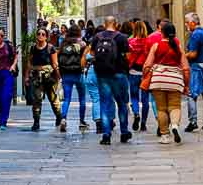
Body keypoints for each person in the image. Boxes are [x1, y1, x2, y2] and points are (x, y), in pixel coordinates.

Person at [144, 21, 190, 144]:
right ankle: (174, 125)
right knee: (174, 106)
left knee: (161, 109)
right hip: (175, 80)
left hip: (158, 79)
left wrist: (146, 75)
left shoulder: (156, 45)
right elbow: (186, 68)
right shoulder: (178, 46)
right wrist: (186, 85)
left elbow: (147, 65)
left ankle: (164, 135)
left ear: (162, 33)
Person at [91, 16, 132, 145]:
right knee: (122, 103)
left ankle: (106, 134)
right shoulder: (121, 37)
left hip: (103, 74)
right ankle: (124, 132)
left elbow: (92, 54)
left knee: (105, 104)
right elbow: (128, 56)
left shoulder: (97, 37)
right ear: (116, 24)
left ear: (105, 24)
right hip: (119, 74)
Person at [27, 27, 62, 132]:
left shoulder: (50, 48)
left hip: (49, 78)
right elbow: (29, 63)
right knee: (37, 100)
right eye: (39, 34)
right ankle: (36, 122)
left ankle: (59, 117)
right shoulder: (33, 48)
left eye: (43, 34)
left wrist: (59, 78)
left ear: (46, 36)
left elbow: (55, 64)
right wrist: (26, 76)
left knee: (53, 100)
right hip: (37, 78)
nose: (40, 36)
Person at [58, 25, 88, 132]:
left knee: (67, 99)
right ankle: (82, 121)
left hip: (66, 74)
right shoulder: (82, 44)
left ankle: (63, 118)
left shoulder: (63, 44)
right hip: (78, 74)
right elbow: (85, 59)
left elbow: (58, 60)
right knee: (82, 98)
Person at [185, 13, 203, 132]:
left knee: (191, 94)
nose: (186, 25)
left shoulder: (195, 34)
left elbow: (193, 54)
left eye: (186, 22)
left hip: (197, 68)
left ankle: (193, 121)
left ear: (192, 23)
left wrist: (183, 56)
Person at [128, 20, 151, 131]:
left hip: (133, 72)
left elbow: (128, 57)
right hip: (145, 72)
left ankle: (136, 113)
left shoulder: (130, 41)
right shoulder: (149, 41)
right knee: (145, 99)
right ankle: (143, 123)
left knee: (134, 96)